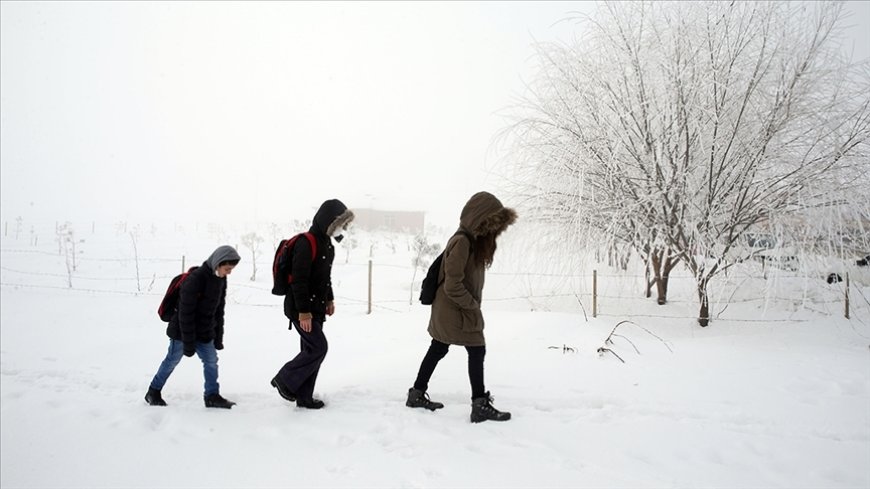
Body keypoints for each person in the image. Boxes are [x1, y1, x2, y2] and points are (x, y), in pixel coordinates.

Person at [406, 191, 517, 423]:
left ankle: (416, 393)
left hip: (454, 310)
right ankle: (479, 405)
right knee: (476, 350)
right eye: (489, 224)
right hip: (455, 310)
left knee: (439, 348)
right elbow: (452, 284)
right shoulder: (462, 242)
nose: (492, 231)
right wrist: (472, 305)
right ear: (479, 219)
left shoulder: (471, 241)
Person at [271, 199, 354, 409]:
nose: (341, 229)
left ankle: (304, 397)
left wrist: (329, 298)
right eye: (339, 224)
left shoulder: (328, 244)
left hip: (317, 306)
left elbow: (324, 277)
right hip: (300, 308)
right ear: (327, 221)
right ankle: (284, 379)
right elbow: (299, 281)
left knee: (311, 350)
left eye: (343, 225)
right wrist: (304, 313)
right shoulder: (306, 243)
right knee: (319, 347)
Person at [145, 245, 241, 409]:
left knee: (211, 361)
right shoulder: (195, 280)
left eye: (231, 269)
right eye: (227, 268)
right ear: (218, 263)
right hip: (182, 331)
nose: (229, 272)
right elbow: (185, 313)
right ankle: (153, 392)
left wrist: (218, 337)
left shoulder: (221, 280)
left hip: (205, 331)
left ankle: (212, 396)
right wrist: (189, 342)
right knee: (171, 361)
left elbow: (219, 310)